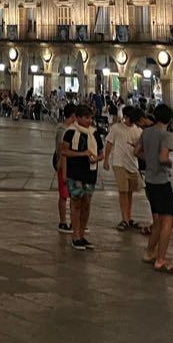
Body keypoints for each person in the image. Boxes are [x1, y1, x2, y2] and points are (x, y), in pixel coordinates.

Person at [141, 102, 173, 274]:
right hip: (162, 181)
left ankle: (149, 253)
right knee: (168, 221)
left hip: (149, 180)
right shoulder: (165, 135)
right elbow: (164, 158)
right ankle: (161, 259)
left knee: (157, 221)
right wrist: (169, 162)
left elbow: (136, 151)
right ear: (169, 119)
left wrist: (149, 160)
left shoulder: (146, 132)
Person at [60, 104, 103, 250]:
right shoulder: (70, 132)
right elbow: (64, 151)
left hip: (90, 173)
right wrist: (82, 154)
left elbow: (102, 153)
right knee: (76, 203)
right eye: (86, 118)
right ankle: (75, 236)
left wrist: (96, 159)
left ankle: (82, 234)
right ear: (78, 118)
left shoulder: (95, 133)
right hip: (75, 173)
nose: (89, 121)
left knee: (87, 203)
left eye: (90, 117)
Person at [103, 105, 147, 232]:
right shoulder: (116, 128)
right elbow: (109, 144)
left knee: (130, 192)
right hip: (119, 163)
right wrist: (106, 160)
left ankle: (128, 217)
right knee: (123, 192)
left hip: (133, 164)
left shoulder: (138, 130)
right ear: (125, 116)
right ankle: (125, 219)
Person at [53, 102, 76, 232]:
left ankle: (74, 221)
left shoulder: (66, 129)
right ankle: (63, 222)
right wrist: (63, 171)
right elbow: (62, 151)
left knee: (73, 195)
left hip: (70, 166)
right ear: (73, 116)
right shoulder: (63, 130)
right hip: (64, 166)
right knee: (64, 195)